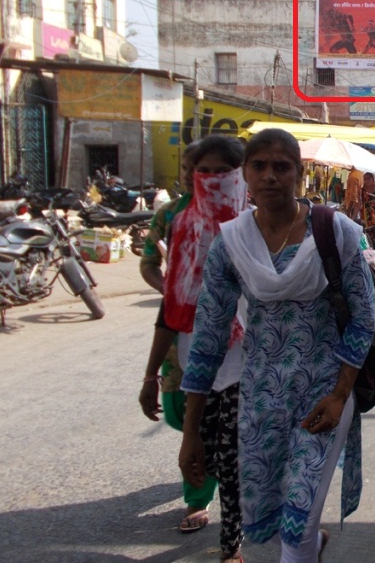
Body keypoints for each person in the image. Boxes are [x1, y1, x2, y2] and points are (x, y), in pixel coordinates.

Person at [178, 128, 375, 563]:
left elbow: (365, 316)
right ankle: (311, 546)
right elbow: (208, 338)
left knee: (298, 522)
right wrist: (191, 432)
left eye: (281, 167)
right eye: (260, 166)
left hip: (323, 394)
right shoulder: (231, 244)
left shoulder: (335, 231)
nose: (270, 176)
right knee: (277, 514)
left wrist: (341, 393)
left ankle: (306, 547)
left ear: (299, 174)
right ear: (245, 174)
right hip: (261, 399)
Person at [149, 136, 249, 561]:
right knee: (193, 431)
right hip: (190, 344)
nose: (209, 180)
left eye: (219, 172)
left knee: (231, 453)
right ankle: (200, 490)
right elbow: (160, 285)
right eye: (200, 171)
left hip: (248, 356)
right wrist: (183, 294)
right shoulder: (175, 218)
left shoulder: (257, 217)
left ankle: (230, 544)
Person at [138, 142, 218, 535]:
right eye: (188, 167)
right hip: (176, 332)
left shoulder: (233, 213)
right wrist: (173, 290)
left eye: (200, 169)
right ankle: (206, 464)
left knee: (205, 419)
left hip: (224, 332)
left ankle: (197, 496)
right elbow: (148, 264)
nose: (191, 174)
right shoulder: (168, 214)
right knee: (176, 411)